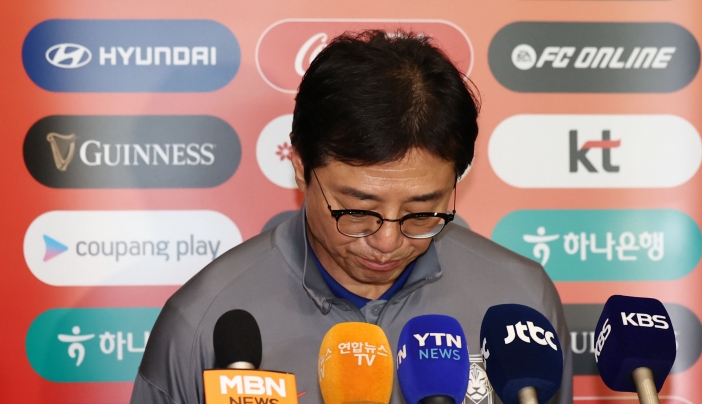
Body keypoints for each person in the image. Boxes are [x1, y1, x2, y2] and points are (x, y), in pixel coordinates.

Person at [130, 30, 573, 404]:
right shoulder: (203, 322)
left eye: (422, 212)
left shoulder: (521, 303)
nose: (387, 242)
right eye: (359, 210)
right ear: (301, 165)